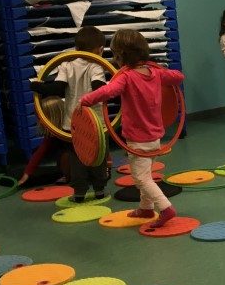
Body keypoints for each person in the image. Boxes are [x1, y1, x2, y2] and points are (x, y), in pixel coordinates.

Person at [80, 29, 185, 227]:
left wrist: (85, 100)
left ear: (121, 56)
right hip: (155, 136)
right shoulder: (155, 73)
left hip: (137, 139)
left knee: (141, 179)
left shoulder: (126, 77)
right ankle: (146, 208)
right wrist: (165, 70)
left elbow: (107, 91)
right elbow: (178, 77)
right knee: (146, 173)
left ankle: (165, 208)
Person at [29, 26, 109, 202]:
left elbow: (57, 89)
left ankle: (79, 192)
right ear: (99, 49)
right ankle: (99, 190)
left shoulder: (66, 65)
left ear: (76, 48)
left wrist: (37, 86)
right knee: (98, 156)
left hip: (73, 122)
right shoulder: (96, 65)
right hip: (95, 122)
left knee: (77, 158)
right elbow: (99, 88)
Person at [17, 95, 72, 187]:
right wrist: (27, 174)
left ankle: (70, 176)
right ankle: (67, 174)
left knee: (66, 155)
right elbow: (40, 152)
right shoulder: (52, 134)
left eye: (42, 118)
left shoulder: (70, 129)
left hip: (82, 162)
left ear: (52, 118)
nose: (40, 121)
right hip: (69, 161)